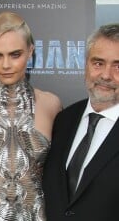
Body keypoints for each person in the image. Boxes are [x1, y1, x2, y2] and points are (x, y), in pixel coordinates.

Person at [0, 12, 62, 220]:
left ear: (30, 51)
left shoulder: (51, 104)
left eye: (15, 54)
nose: (5, 65)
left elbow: (59, 175)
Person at [42, 23, 119, 221]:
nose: (106, 75)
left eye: (118, 66)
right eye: (98, 63)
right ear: (86, 64)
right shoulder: (64, 119)